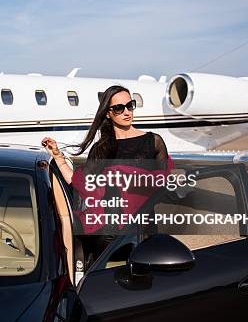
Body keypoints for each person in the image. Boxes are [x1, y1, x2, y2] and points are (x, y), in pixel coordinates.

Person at [41, 84, 169, 260]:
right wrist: (58, 156)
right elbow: (80, 183)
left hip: (145, 230)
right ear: (108, 113)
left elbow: (163, 185)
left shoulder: (154, 141)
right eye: (119, 108)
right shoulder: (101, 148)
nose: (126, 112)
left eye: (130, 105)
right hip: (110, 235)